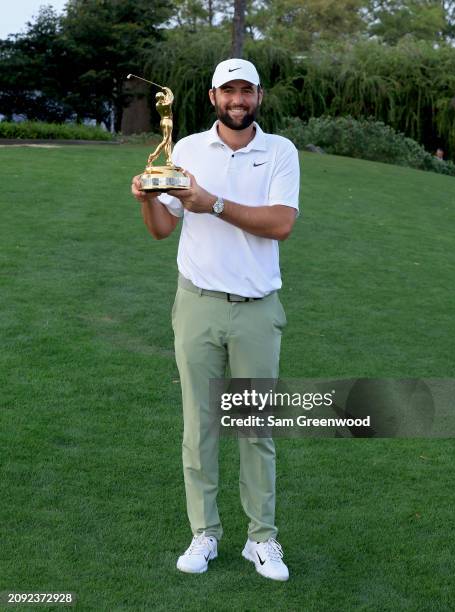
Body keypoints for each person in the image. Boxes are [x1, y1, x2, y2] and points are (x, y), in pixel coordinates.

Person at [131, 58, 300, 582]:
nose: (238, 100)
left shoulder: (280, 152)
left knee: (254, 429)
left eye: (246, 91)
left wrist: (214, 203)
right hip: (197, 303)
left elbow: (281, 225)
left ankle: (261, 541)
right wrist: (145, 198)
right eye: (228, 91)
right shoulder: (185, 149)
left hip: (256, 309)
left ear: (259, 96)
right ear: (212, 98)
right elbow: (162, 228)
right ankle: (204, 533)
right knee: (199, 427)